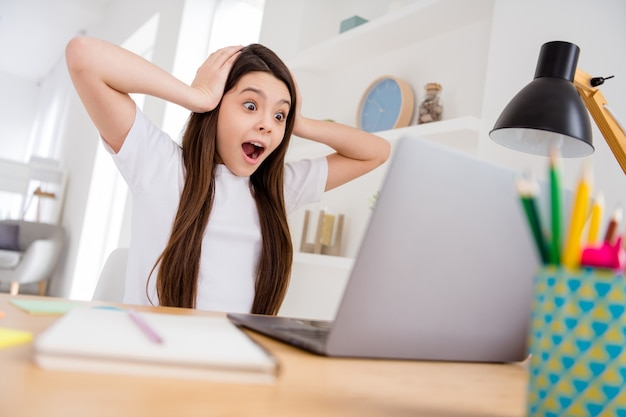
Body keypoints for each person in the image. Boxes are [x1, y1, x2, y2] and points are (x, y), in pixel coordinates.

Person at [65, 36, 390, 315]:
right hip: (151, 364)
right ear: (216, 107)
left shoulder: (278, 190)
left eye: (279, 114)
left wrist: (299, 123)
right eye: (250, 105)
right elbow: (84, 56)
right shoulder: (161, 166)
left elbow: (376, 151)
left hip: (231, 363)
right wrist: (197, 97)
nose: (268, 124)